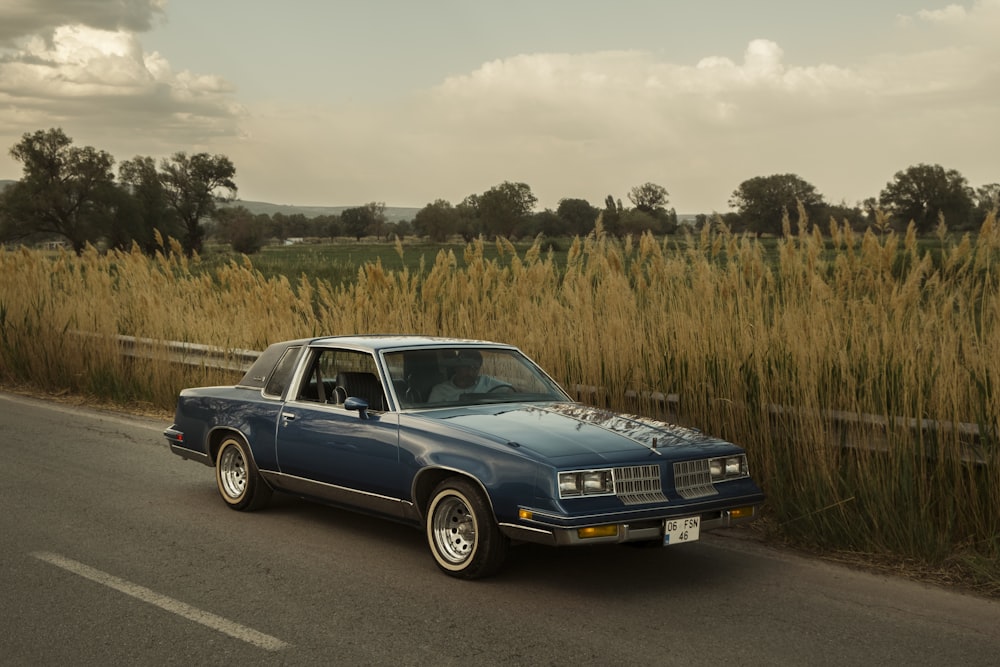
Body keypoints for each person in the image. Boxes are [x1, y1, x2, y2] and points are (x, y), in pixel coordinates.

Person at [427, 349, 511, 402]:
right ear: (457, 367)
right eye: (466, 367)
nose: (471, 372)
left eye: (475, 368)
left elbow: (513, 390)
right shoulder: (440, 391)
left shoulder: (486, 382)